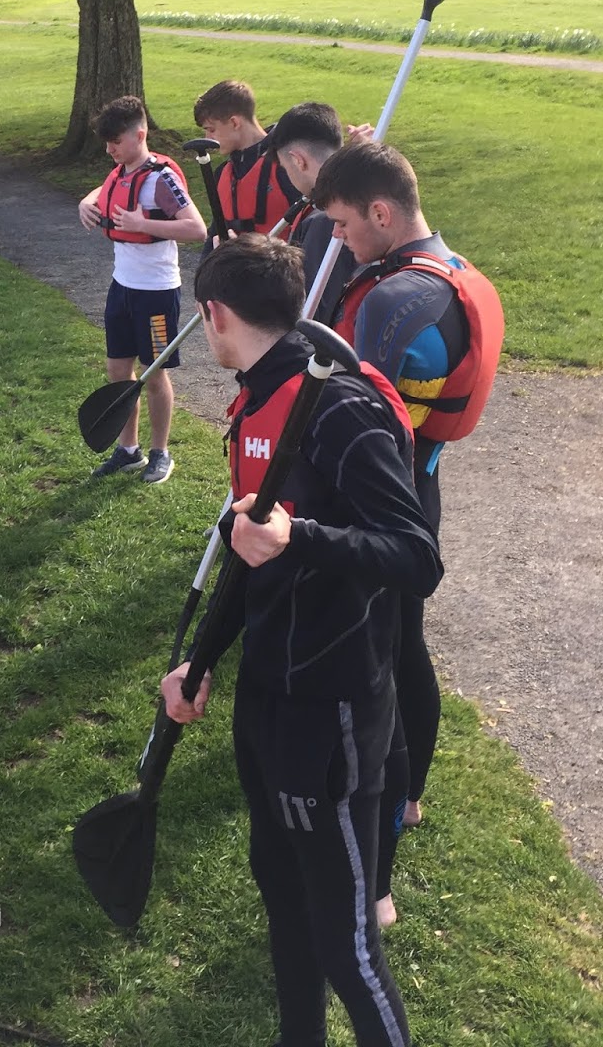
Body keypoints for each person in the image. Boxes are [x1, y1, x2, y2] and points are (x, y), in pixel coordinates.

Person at [161, 236, 441, 1047]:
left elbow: (417, 558)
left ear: (215, 316)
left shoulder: (338, 407)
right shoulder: (263, 392)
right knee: (282, 902)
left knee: (347, 944)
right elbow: (251, 555)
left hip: (336, 708)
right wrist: (201, 662)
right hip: (270, 698)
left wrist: (302, 536)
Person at [312, 141, 504, 921]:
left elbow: (350, 418)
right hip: (422, 487)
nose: (337, 241)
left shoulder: (396, 303)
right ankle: (412, 797)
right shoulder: (454, 272)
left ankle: (378, 871)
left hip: (385, 502)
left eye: (344, 224)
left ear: (382, 213)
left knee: (375, 673)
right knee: (403, 648)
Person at [77, 96, 207, 483]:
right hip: (122, 289)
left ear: (140, 134)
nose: (109, 149)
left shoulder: (160, 178)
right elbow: (102, 191)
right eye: (106, 142)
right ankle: (128, 450)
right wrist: (85, 202)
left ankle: (160, 453)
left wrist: (142, 223)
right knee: (119, 370)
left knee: (153, 374)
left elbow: (196, 229)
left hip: (157, 293)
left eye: (115, 141)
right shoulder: (120, 171)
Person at [264, 102, 372, 314]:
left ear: (297, 160)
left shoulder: (324, 220)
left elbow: (312, 311)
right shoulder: (365, 196)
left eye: (285, 168)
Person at [192, 80, 302, 240]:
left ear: (234, 122)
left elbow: (311, 230)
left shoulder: (287, 165)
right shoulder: (222, 173)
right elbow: (215, 234)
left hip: (284, 263)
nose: (207, 138)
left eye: (211, 130)